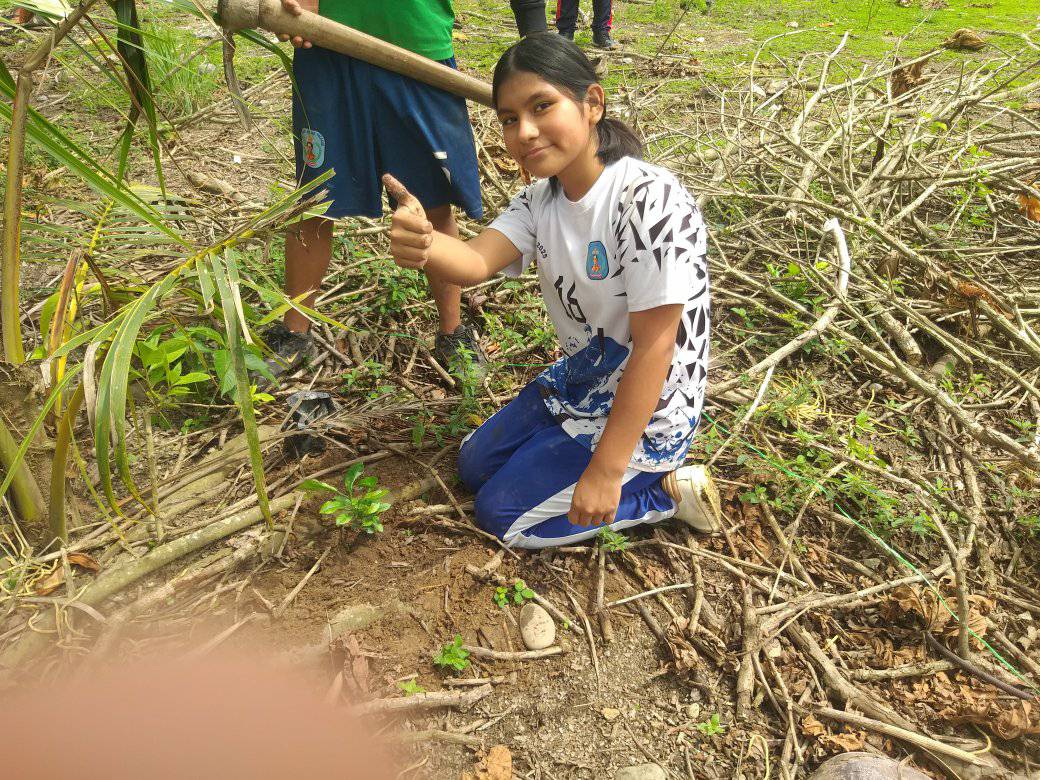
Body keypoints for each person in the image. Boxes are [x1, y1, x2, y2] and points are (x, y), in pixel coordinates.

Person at [384, 33, 717, 549]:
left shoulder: (648, 201)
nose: (525, 131)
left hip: (651, 409)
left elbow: (656, 345)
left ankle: (663, 496)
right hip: (583, 381)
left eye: (542, 106)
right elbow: (473, 261)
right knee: (473, 466)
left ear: (592, 104)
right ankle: (566, 450)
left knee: (503, 515)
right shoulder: (542, 199)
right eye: (510, 118)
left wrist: (606, 472)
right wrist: (424, 243)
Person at [268, 0, 487, 380]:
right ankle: (294, 331)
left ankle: (453, 332)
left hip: (417, 47)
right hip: (325, 45)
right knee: (316, 202)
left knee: (432, 204)